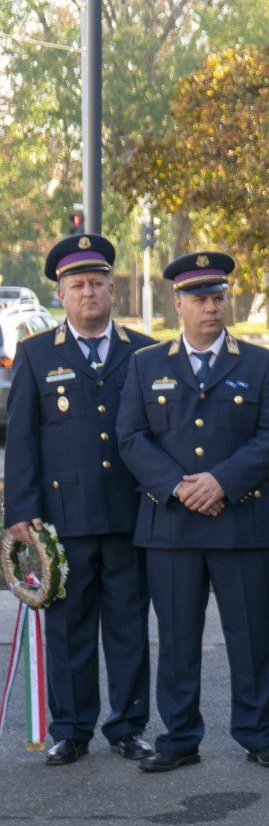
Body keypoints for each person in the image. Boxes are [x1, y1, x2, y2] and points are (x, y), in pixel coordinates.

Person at [117, 250, 269, 772]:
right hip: (171, 525)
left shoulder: (259, 363)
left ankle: (259, 733)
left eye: (217, 298)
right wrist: (178, 485)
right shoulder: (146, 364)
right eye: (199, 299)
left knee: (251, 635)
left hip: (240, 522)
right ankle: (179, 739)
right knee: (176, 639)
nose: (211, 308)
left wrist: (221, 481)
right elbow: (130, 437)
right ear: (178, 305)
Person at [5, 234, 158, 766]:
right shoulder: (35, 354)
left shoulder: (143, 352)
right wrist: (21, 511)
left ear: (113, 290)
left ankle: (128, 725)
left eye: (97, 283)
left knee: (127, 625)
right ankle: (70, 729)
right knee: (69, 629)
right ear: (61, 296)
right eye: (77, 285)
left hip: (129, 513)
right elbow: (21, 439)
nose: (88, 292)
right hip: (63, 520)